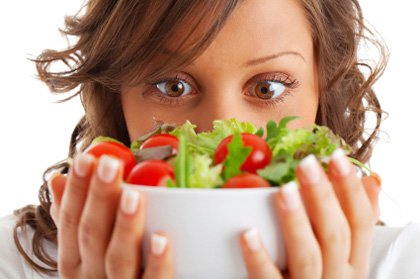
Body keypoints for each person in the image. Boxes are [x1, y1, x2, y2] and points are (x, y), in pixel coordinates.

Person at [0, 0, 419, 278]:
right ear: (116, 99)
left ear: (322, 90)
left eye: (267, 88)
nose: (221, 132)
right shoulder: (13, 262)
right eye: (173, 87)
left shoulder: (403, 263)